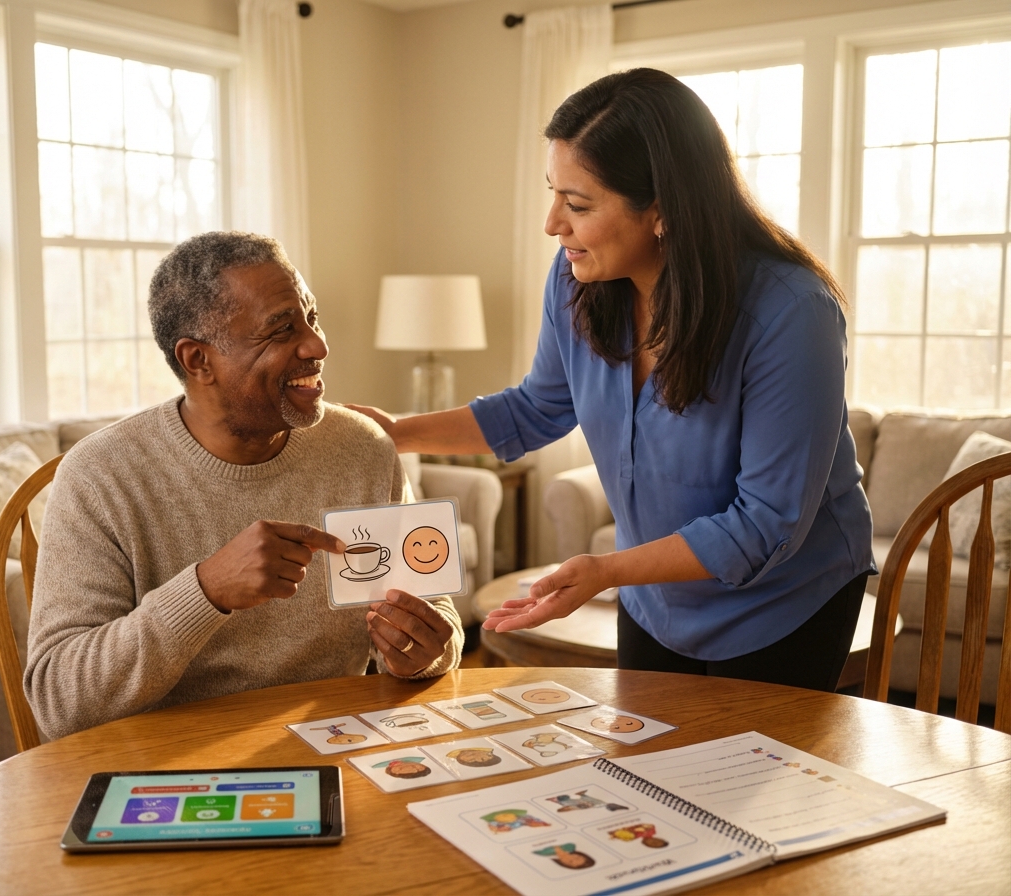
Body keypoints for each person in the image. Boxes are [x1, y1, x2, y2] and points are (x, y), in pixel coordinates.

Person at [350, 69, 875, 692]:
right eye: (554, 194)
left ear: (662, 211)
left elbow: (766, 524)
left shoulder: (791, 312)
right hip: (655, 596)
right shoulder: (578, 278)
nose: (553, 223)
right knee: (648, 751)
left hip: (782, 602)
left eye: (577, 205)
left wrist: (606, 570)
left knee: (744, 757)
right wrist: (394, 432)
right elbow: (537, 408)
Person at [24, 232, 463, 739]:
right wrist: (205, 590)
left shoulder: (363, 447)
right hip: (167, 760)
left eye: (312, 318)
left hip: (331, 741)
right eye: (281, 330)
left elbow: (438, 617)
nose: (318, 345)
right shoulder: (99, 475)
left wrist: (424, 652)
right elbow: (59, 704)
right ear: (198, 360)